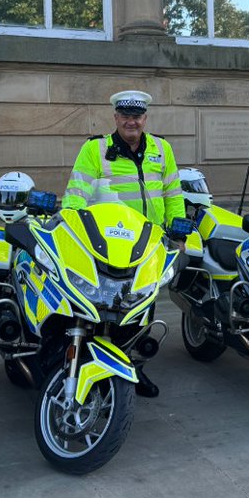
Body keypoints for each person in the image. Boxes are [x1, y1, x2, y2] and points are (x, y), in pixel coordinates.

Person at [64, 90, 185, 397]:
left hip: (150, 243)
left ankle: (134, 369)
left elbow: (173, 193)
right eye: (126, 116)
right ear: (115, 117)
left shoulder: (162, 148)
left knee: (142, 310)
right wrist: (69, 230)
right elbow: (76, 194)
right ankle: (95, 367)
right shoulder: (95, 149)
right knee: (104, 307)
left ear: (145, 118)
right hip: (107, 243)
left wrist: (179, 234)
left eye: (138, 116)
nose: (132, 121)